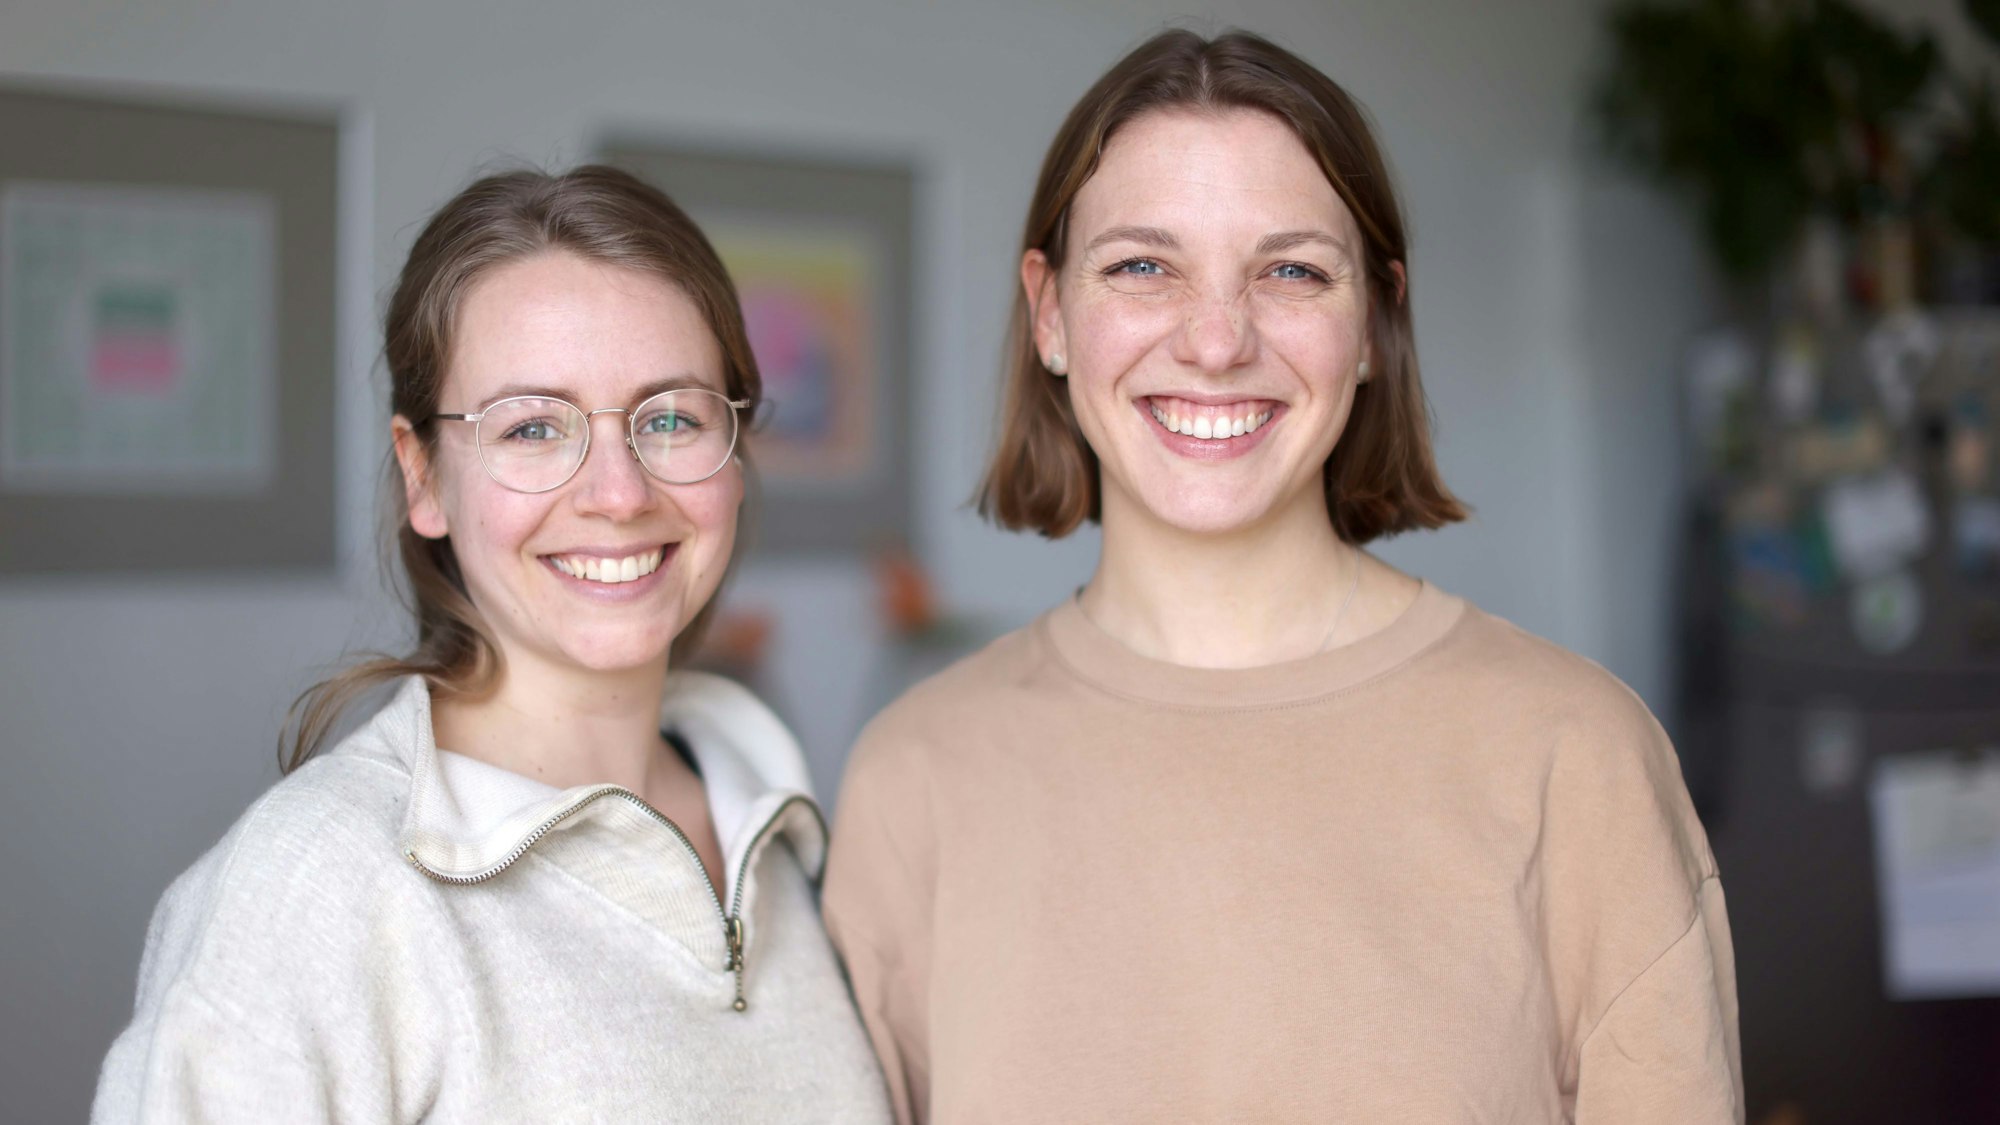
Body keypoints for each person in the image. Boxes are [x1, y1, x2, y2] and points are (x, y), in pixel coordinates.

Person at [822, 29, 1742, 1124]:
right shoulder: (914, 779)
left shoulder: (1577, 757)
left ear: (1374, 322)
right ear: (1051, 313)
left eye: (1291, 271)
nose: (1216, 343)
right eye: (1142, 267)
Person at [93, 166, 890, 1122]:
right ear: (423, 476)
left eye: (672, 416)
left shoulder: (784, 829)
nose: (619, 493)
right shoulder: (311, 892)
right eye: (534, 428)